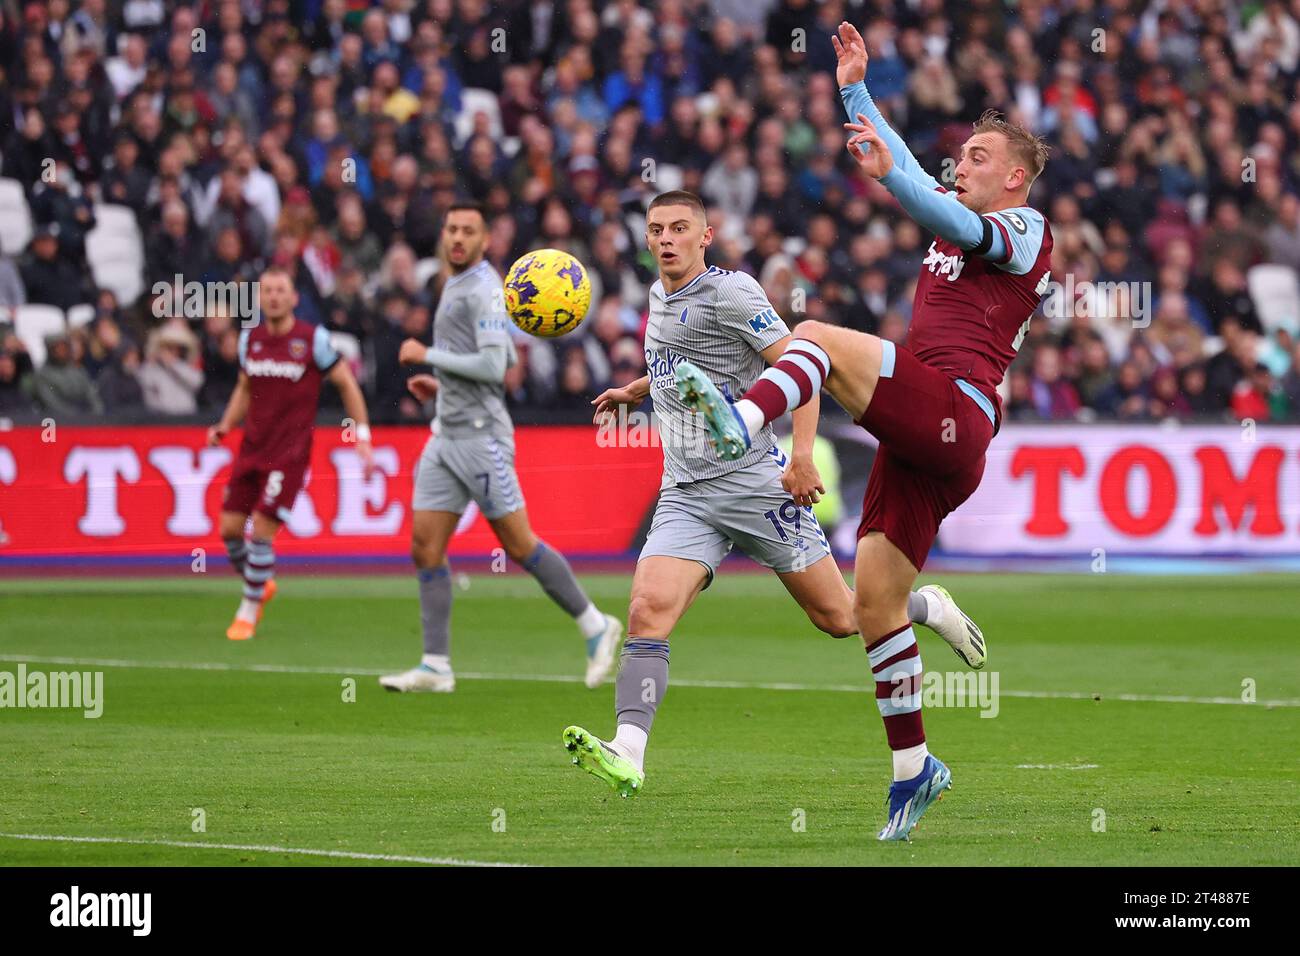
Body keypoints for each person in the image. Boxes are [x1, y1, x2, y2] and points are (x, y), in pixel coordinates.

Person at [674, 24, 1053, 840]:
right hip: (928, 440)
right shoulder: (953, 209)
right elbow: (916, 177)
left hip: (955, 413)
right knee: (870, 610)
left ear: (1016, 175)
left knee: (811, 335)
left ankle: (740, 422)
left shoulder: (1028, 232)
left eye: (981, 156)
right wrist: (854, 90)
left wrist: (893, 180)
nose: (965, 163)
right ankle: (915, 772)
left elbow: (918, 192)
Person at [561, 189, 985, 801]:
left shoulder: (733, 293)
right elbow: (675, 362)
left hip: (755, 483)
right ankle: (628, 751)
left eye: (681, 228)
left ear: (705, 236)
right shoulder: (657, 296)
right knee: (647, 612)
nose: (667, 239)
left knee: (843, 617)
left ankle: (927, 607)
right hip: (684, 490)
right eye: (657, 230)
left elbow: (805, 367)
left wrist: (804, 456)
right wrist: (636, 390)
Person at [379, 201, 622, 693]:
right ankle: (436, 665)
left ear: (486, 240)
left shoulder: (487, 291)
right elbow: (503, 352)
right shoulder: (457, 284)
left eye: (469, 231)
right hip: (447, 433)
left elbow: (495, 368)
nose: (458, 238)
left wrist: (427, 354)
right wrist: (441, 381)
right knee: (425, 547)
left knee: (518, 544)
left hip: (481, 437)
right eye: (452, 229)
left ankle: (595, 624)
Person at [207, 267, 375, 641]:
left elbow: (346, 383)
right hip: (252, 447)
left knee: (263, 531)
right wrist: (225, 425)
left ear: (294, 298)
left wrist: (361, 433)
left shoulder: (312, 340)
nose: (274, 297)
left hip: (290, 453)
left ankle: (247, 612)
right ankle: (259, 582)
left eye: (281, 290)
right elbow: (244, 388)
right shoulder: (251, 339)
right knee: (229, 530)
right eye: (267, 291)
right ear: (260, 297)